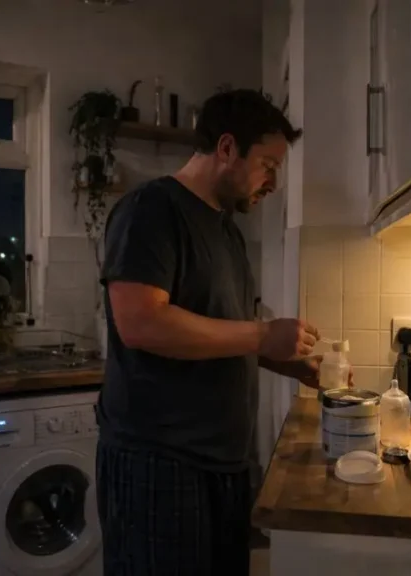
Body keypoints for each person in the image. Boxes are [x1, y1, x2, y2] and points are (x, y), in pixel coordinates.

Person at [96, 88, 320, 576]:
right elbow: (141, 323)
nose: (273, 183)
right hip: (159, 461)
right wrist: (262, 336)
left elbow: (219, 328)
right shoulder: (151, 210)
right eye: (267, 165)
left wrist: (288, 362)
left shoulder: (227, 232)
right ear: (225, 148)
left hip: (222, 462)